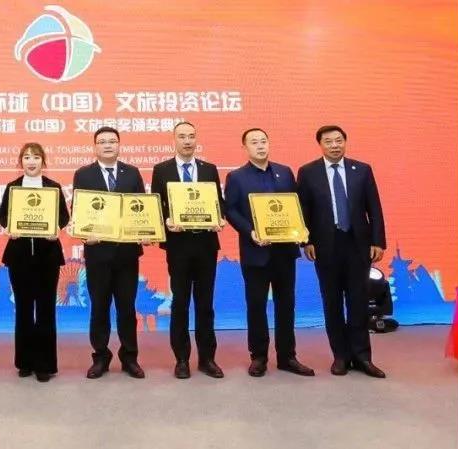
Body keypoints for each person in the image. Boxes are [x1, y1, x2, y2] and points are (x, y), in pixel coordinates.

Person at [298, 125, 386, 378]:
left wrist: (378, 241)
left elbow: (374, 208)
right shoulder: (308, 172)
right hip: (325, 245)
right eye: (329, 141)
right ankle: (341, 356)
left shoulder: (362, 170)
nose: (335, 145)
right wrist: (307, 241)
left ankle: (362, 357)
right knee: (332, 302)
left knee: (358, 301)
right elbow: (303, 210)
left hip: (358, 244)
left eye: (339, 140)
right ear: (320, 145)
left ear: (345, 142)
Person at [224, 128, 314, 377]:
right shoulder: (236, 177)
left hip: (285, 251)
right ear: (245, 147)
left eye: (263, 141)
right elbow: (230, 210)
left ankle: (287, 356)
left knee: (286, 305)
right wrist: (250, 231)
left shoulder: (285, 172)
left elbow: (295, 205)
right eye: (254, 142)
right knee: (256, 305)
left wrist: (301, 228)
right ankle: (259, 356)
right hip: (255, 252)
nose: (260, 146)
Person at [151, 121, 226, 379]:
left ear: (196, 140)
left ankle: (207, 359)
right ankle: (181, 359)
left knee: (205, 304)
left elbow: (218, 202)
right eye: (182, 136)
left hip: (206, 244)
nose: (187, 141)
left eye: (191, 136)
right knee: (180, 303)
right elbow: (156, 205)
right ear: (174, 140)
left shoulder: (209, 169)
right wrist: (166, 221)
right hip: (178, 246)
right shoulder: (161, 170)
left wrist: (219, 217)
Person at [72, 127, 148, 379]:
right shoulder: (84, 174)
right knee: (99, 307)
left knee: (127, 308)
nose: (107, 145)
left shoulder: (132, 173)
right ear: (95, 147)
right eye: (102, 142)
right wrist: (85, 234)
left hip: (127, 254)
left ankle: (130, 358)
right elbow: (79, 210)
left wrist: (145, 230)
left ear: (119, 145)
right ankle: (100, 357)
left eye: (112, 141)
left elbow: (142, 207)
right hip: (98, 253)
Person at [0, 143, 69, 382]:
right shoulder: (13, 187)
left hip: (47, 257)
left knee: (46, 309)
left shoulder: (53, 187)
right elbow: (3, 215)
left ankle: (45, 365)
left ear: (43, 161)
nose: (31, 161)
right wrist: (10, 227)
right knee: (24, 309)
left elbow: (64, 216)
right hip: (19, 257)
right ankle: (25, 362)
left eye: (36, 157)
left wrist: (56, 228)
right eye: (27, 157)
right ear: (21, 161)